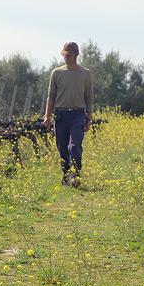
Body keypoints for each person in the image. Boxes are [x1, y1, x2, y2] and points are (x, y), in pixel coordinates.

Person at [42, 41, 94, 187]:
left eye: (69, 55)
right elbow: (51, 95)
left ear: (76, 55)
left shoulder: (85, 74)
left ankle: (75, 175)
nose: (66, 57)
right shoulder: (57, 73)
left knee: (74, 145)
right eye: (64, 54)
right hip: (61, 115)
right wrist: (47, 116)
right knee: (62, 147)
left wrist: (89, 117)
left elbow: (89, 96)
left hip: (78, 114)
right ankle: (65, 176)